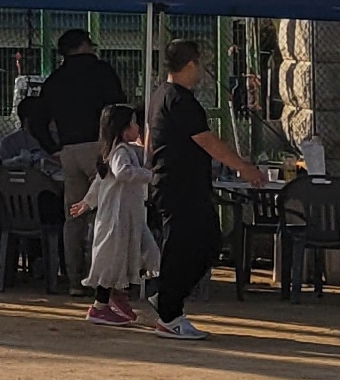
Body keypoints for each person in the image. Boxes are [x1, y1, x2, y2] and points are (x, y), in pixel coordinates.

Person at [148, 36, 271, 340]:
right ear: (190, 64)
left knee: (208, 242)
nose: (203, 70)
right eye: (201, 63)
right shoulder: (179, 99)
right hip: (178, 186)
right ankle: (169, 314)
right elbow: (207, 141)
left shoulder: (162, 94)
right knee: (184, 247)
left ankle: (167, 296)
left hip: (182, 184)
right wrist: (244, 167)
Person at [80, 103, 154, 326]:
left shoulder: (120, 151)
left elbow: (99, 182)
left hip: (127, 216)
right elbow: (122, 173)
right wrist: (150, 175)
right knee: (112, 260)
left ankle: (119, 294)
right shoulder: (120, 152)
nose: (137, 127)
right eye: (134, 123)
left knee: (135, 254)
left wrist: (87, 202)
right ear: (123, 128)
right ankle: (99, 307)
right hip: (116, 218)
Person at [37, 29, 124, 207]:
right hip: (98, 145)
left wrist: (52, 148)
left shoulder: (55, 79)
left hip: (68, 150)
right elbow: (117, 107)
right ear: (84, 45)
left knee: (74, 207)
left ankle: (73, 228)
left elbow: (38, 120)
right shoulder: (101, 71)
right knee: (103, 204)